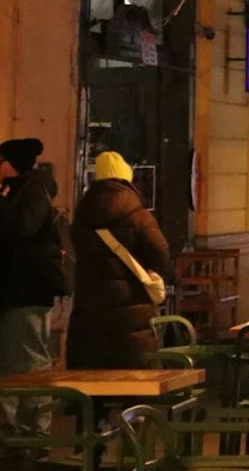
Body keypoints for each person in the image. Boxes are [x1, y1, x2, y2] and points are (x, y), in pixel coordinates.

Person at [0, 139, 68, 428]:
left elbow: (24, 229)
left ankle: (35, 428)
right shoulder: (14, 192)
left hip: (25, 289)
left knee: (30, 360)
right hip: (7, 290)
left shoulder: (30, 193)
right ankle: (12, 428)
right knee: (7, 363)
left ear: (11, 164)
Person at [67, 152, 171, 370]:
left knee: (94, 381)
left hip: (90, 310)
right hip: (131, 313)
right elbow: (160, 253)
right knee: (135, 381)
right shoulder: (136, 212)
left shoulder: (82, 214)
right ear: (126, 179)